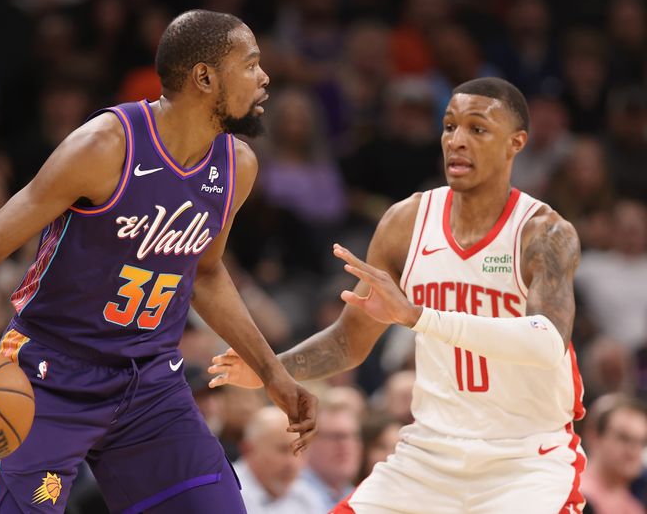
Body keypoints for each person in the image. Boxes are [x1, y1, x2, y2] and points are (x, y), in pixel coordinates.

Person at [0, 9, 317, 514]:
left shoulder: (237, 165)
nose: (265, 77)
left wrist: (274, 374)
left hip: (150, 383)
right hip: (49, 378)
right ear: (205, 77)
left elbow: (206, 274)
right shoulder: (105, 146)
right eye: (251, 63)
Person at [210, 76, 586, 513]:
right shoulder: (407, 222)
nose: (457, 141)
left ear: (515, 142)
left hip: (525, 462)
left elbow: (546, 343)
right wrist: (271, 370)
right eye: (449, 127)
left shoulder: (544, 232)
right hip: (429, 457)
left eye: (477, 129)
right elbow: (350, 340)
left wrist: (419, 316)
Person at [232, 406, 321, 514]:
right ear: (248, 450)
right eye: (283, 450)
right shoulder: (226, 495)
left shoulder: (306, 497)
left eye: (300, 451)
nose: (292, 463)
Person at [580, 394, 647, 514]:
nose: (633, 451)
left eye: (641, 442)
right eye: (623, 438)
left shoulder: (636, 508)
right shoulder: (571, 498)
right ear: (594, 436)